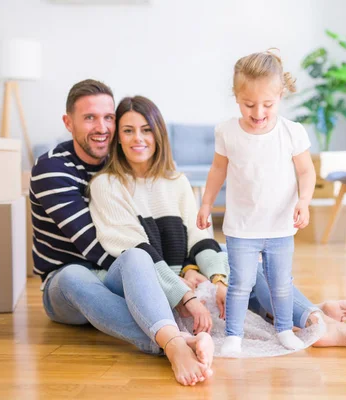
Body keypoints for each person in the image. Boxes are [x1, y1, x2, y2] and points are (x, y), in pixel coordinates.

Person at [196, 50, 346, 355]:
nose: (257, 113)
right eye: (248, 105)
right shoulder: (227, 131)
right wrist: (205, 203)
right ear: (236, 97)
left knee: (281, 283)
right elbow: (217, 170)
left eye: (267, 105)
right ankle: (233, 335)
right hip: (242, 227)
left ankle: (283, 329)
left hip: (280, 224)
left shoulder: (292, 132)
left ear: (281, 95)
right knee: (240, 284)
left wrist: (304, 201)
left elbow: (306, 171)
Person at [30, 80, 213, 386]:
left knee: (135, 257)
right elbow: (96, 249)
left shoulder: (124, 161)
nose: (101, 127)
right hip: (67, 285)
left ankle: (166, 328)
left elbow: (145, 238)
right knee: (77, 274)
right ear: (68, 122)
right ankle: (174, 342)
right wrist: (170, 283)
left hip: (116, 275)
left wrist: (179, 271)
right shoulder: (53, 169)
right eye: (89, 118)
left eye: (108, 117)